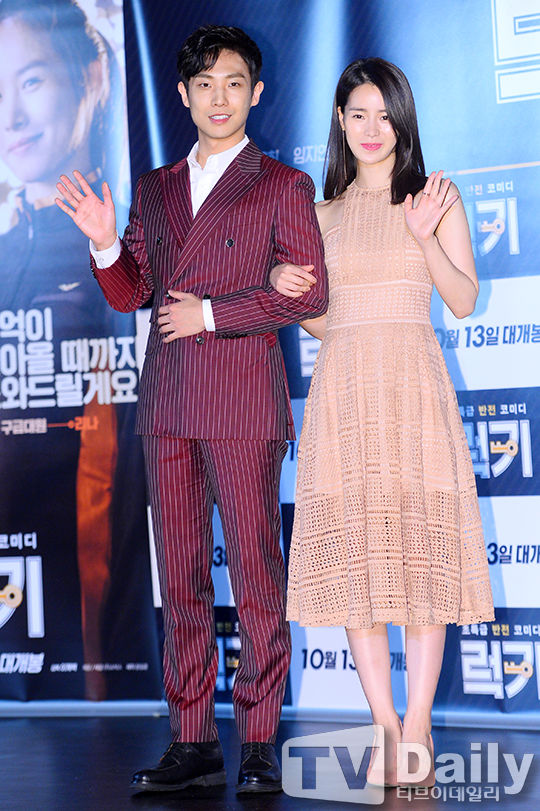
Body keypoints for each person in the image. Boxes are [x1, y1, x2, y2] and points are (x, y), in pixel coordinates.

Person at [56, 24, 328, 794]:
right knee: (180, 580)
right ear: (182, 94)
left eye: (234, 82)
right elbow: (132, 294)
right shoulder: (155, 189)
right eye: (205, 83)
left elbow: (308, 294)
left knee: (256, 577)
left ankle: (260, 741)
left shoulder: (283, 185)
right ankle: (193, 738)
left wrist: (210, 312)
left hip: (242, 403)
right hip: (170, 404)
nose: (219, 97)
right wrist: (106, 244)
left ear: (256, 92)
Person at [271, 58, 494, 788]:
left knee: (422, 565)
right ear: (340, 121)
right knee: (357, 568)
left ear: (404, 120)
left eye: (385, 115)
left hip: (414, 393)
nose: (373, 129)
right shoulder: (320, 215)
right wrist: (285, 291)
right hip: (343, 396)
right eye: (359, 114)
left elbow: (463, 300)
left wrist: (424, 236)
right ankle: (384, 724)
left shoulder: (435, 198)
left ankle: (419, 722)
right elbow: (324, 320)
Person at [0, 0, 157, 702]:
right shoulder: (7, 249)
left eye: (31, 81)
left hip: (102, 634)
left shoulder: (137, 239)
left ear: (92, 75)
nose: (11, 118)